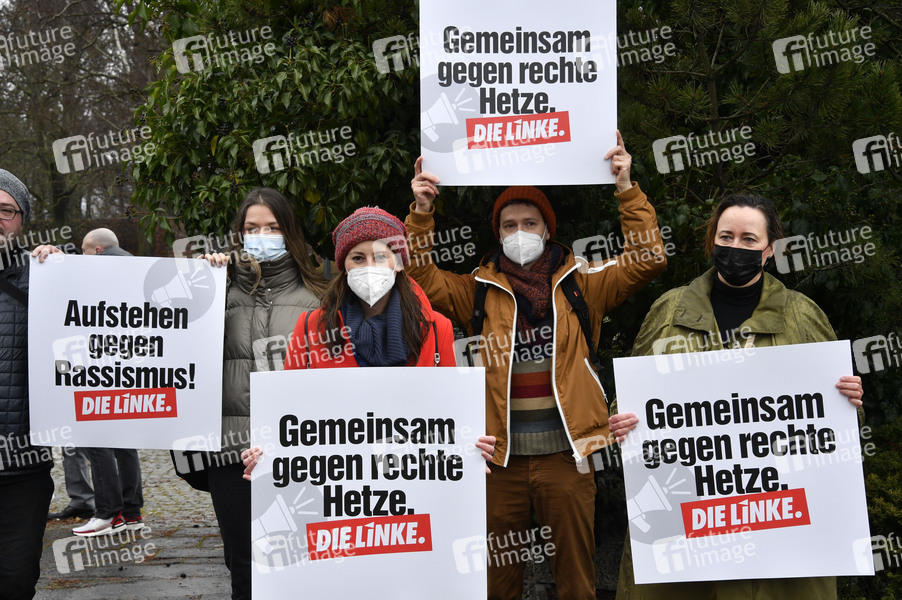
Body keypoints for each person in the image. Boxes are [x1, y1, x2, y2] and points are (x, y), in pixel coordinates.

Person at [405, 132, 667, 600]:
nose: (519, 232)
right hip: (498, 461)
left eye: (530, 222)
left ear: (547, 229)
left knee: (576, 581)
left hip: (569, 456)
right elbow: (418, 276)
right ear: (498, 233)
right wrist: (422, 211)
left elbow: (647, 260)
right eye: (509, 225)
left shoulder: (582, 284)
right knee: (497, 583)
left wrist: (627, 187)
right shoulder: (477, 289)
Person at [608, 193, 864, 600]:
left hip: (778, 527)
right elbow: (631, 400)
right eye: (726, 237)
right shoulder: (669, 310)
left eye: (749, 239)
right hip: (684, 524)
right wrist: (621, 421)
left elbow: (835, 428)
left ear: (770, 249)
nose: (735, 247)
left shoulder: (802, 315)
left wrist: (849, 403)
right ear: (712, 240)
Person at [241, 206, 496, 473]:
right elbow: (288, 413)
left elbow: (449, 414)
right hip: (337, 480)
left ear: (398, 263)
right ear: (344, 266)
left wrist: (470, 451)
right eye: (358, 258)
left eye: (381, 256)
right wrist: (267, 457)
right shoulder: (311, 327)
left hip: (415, 476)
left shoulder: (436, 328)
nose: (370, 267)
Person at [203, 187, 328, 600]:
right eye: (252, 228)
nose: (262, 236)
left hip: (299, 453)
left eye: (273, 227)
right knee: (244, 565)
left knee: (301, 562)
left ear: (289, 231)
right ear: (239, 234)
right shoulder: (216, 292)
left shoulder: (319, 297)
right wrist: (205, 287)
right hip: (232, 452)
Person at [69, 229, 147, 536]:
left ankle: (108, 513)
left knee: (96, 437)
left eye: (84, 251)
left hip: (100, 366)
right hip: (131, 367)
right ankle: (131, 511)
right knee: (124, 442)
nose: (82, 257)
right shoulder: (137, 269)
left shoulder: (100, 273)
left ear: (98, 251)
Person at [0, 168, 54, 600]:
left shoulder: (45, 277)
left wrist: (63, 269)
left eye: (6, 210)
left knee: (16, 581)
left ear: (22, 220)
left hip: (23, 467)